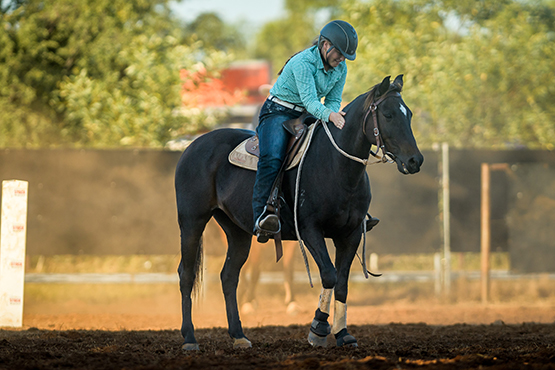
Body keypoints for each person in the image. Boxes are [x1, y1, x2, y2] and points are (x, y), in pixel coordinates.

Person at [252, 20, 377, 242]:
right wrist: (331, 116)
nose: (342, 60)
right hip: (278, 111)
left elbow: (333, 99)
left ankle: (352, 212)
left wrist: (330, 117)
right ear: (325, 44)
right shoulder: (303, 63)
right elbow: (311, 101)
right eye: (339, 53)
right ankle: (262, 214)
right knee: (273, 156)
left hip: (306, 114)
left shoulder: (340, 68)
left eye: (346, 57)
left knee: (330, 150)